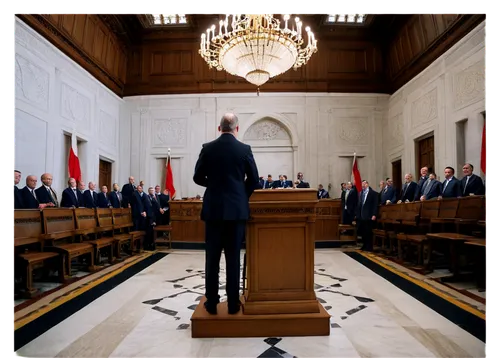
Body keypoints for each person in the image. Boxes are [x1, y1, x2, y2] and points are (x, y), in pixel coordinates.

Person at [193, 113, 260, 315]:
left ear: (219, 127)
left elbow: (197, 177)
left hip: (213, 211)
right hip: (236, 212)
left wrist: (213, 184)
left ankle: (212, 303)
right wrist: (240, 193)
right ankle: (232, 305)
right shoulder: (244, 149)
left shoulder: (208, 148)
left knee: (211, 260)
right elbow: (255, 180)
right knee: (233, 260)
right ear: (237, 129)